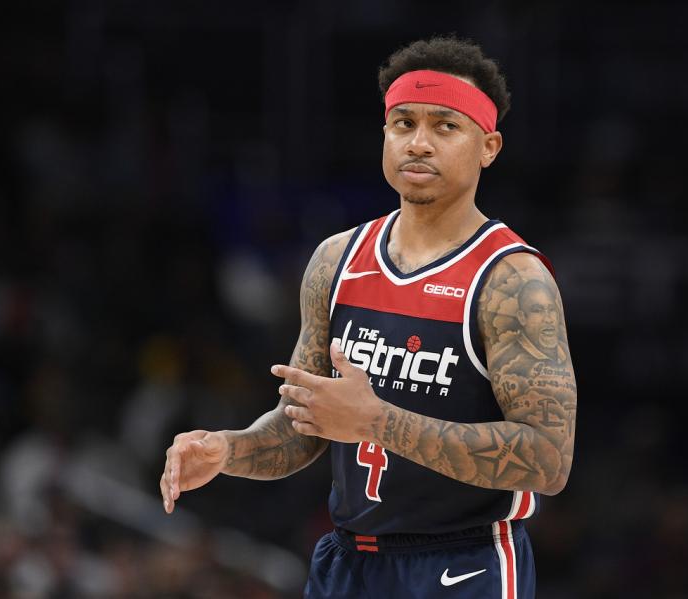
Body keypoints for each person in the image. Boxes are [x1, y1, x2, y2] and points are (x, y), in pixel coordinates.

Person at [160, 36, 577, 599]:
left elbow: (548, 460)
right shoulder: (336, 260)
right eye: (404, 123)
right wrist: (229, 449)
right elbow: (303, 427)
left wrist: (378, 422)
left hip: (463, 562)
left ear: (488, 146)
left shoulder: (513, 280)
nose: (419, 143)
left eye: (445, 126)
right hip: (348, 561)